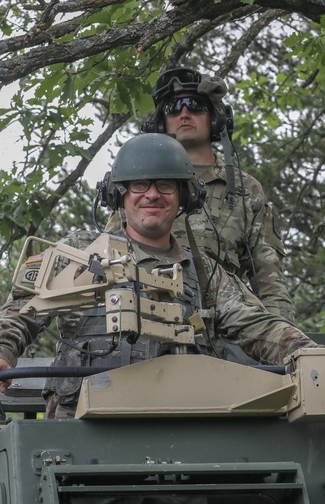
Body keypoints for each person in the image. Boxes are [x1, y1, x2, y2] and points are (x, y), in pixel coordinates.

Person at [0, 133, 319, 419]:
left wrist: (311, 357)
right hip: (80, 434)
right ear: (118, 195)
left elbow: (260, 326)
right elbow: (23, 308)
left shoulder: (204, 271)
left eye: (165, 185)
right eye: (139, 184)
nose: (152, 194)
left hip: (180, 431)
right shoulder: (80, 251)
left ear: (185, 197)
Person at [107, 66, 295, 321]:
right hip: (144, 322)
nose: (184, 114)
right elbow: (108, 257)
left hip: (222, 329)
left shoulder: (244, 190)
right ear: (160, 122)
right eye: (174, 108)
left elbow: (269, 282)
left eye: (195, 106)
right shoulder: (134, 183)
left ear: (216, 119)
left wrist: (285, 349)